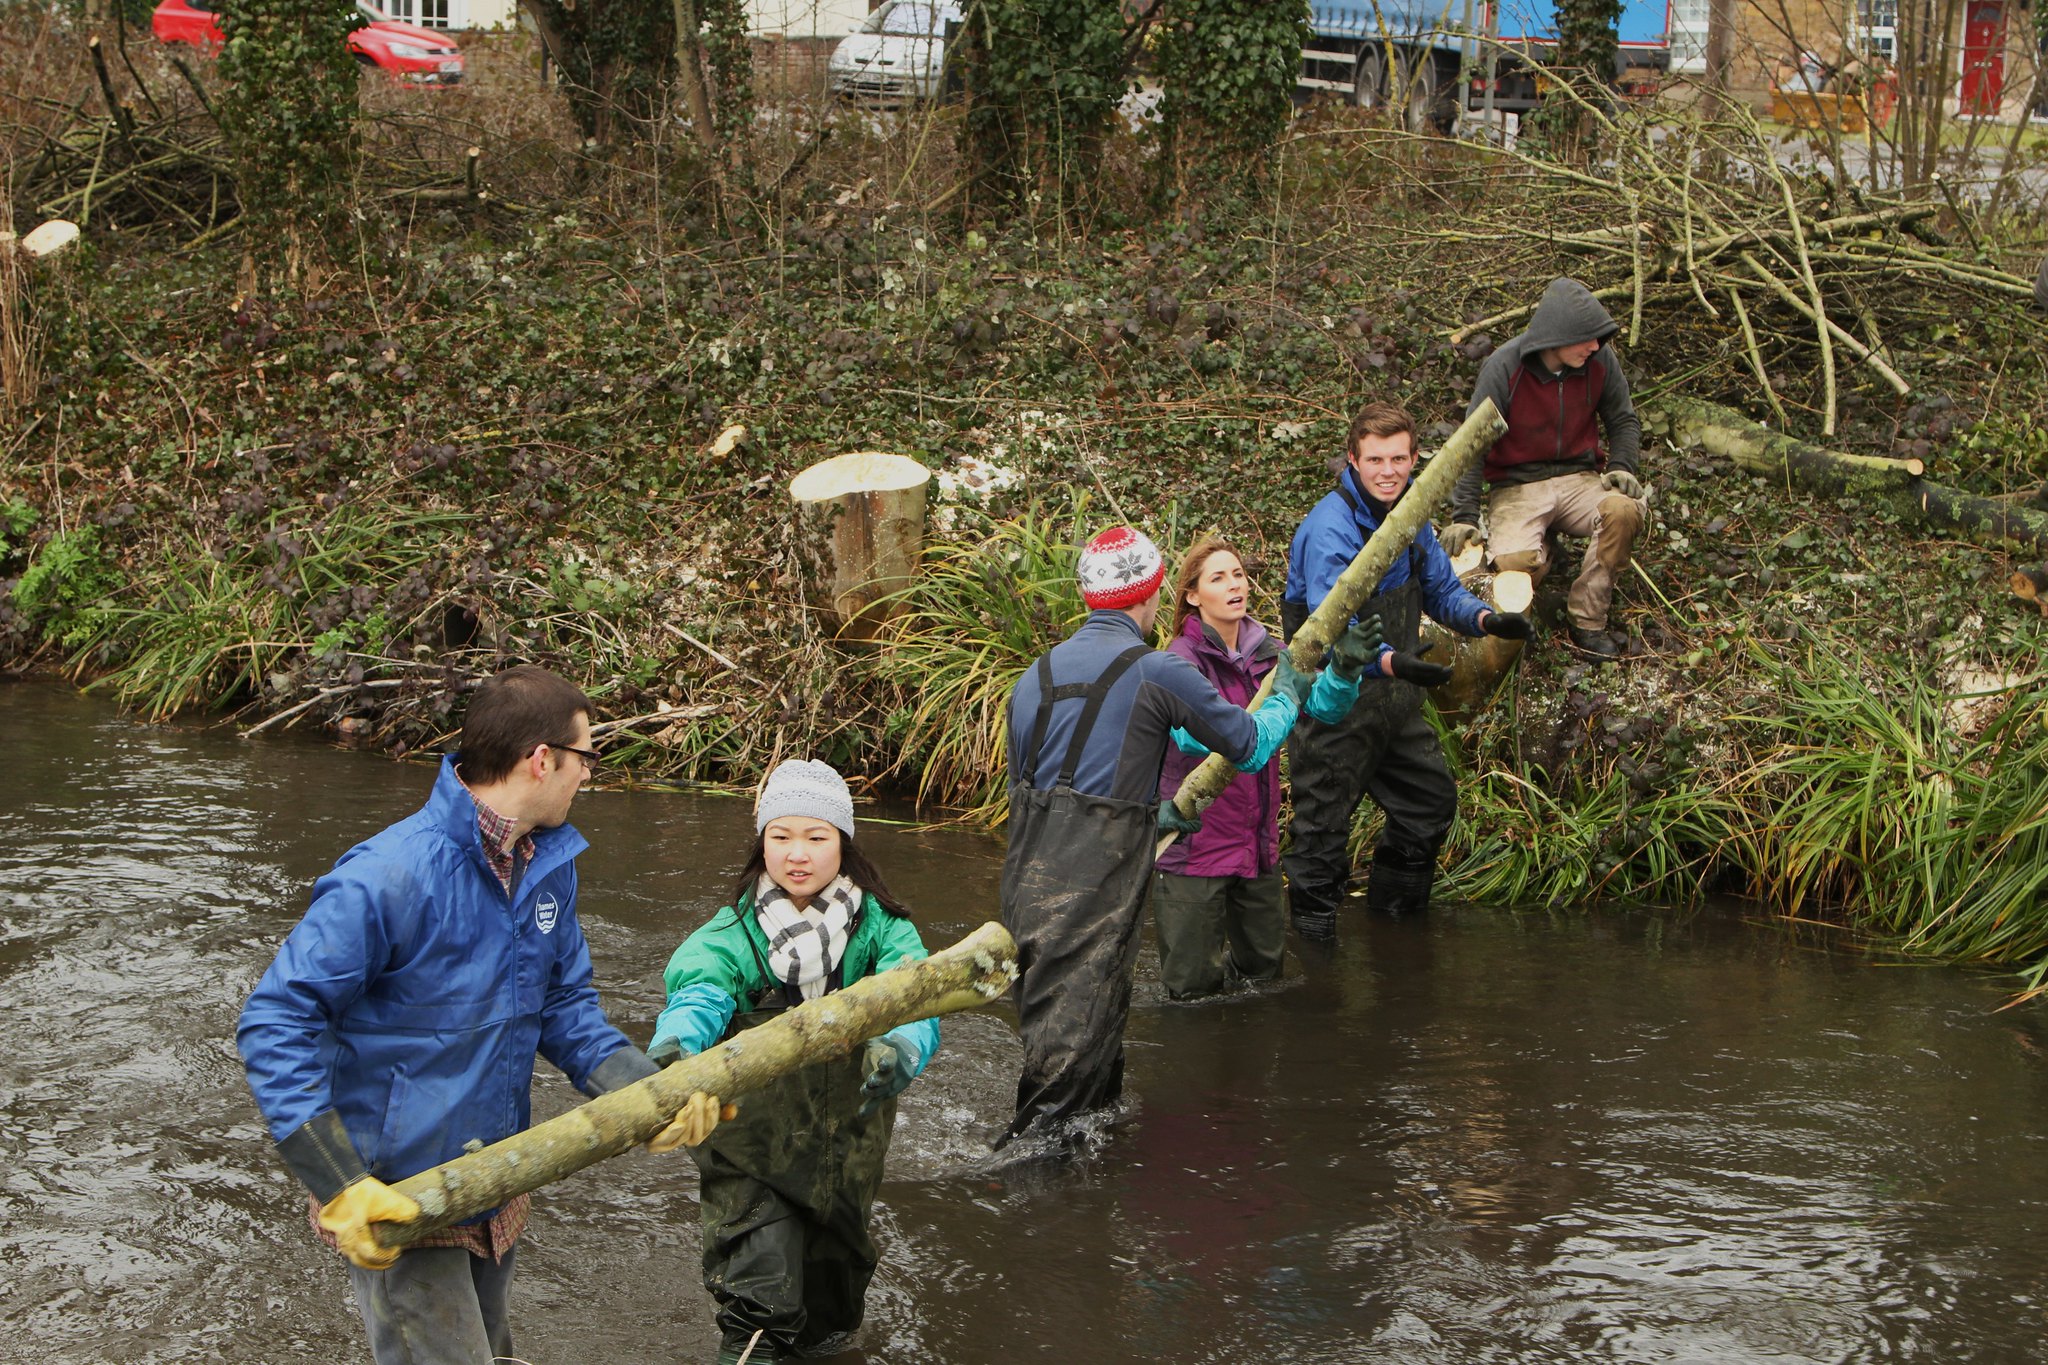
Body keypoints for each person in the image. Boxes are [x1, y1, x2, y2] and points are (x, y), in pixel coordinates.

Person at [238, 664, 722, 1365]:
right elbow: (275, 1019)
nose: (590, 774)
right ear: (542, 759)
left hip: (497, 1180)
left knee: (491, 1352)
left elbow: (563, 1006)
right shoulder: (386, 876)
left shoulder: (547, 863)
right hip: (398, 1197)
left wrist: (649, 1095)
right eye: (586, 757)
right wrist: (338, 1181)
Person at [999, 525, 1377, 1145]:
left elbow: (1047, 793)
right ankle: (1037, 1177)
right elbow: (1249, 745)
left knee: (1060, 1042)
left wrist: (1154, 816)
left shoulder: (1032, 677)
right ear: (1153, 596)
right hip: (1096, 897)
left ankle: (1071, 1172)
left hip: (1026, 888)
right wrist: (1284, 693)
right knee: (1070, 1079)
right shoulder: (1159, 669)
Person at [647, 759, 939, 1365]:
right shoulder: (731, 934)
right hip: (751, 1150)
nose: (796, 854)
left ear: (844, 843)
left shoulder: (883, 929)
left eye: (816, 837)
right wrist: (680, 1049)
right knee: (760, 1306)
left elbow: (915, 994)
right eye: (780, 836)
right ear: (762, 843)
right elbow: (698, 993)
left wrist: (902, 1046)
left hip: (850, 1150)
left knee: (832, 1318)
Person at [1282, 402, 1532, 939]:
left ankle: (1395, 934)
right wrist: (1393, 663)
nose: (1388, 471)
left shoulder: (1412, 513)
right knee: (1322, 839)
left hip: (1395, 707)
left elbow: (1441, 590)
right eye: (1375, 460)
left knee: (1429, 804)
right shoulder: (1330, 530)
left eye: (1398, 458)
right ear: (1353, 460)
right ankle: (1314, 960)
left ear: (1415, 458)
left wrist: (1487, 620)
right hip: (1332, 707)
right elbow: (1332, 633)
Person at [1150, 534, 1380, 999]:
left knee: (1264, 982)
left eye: (1238, 574)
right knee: (1192, 993)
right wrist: (1283, 701)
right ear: (1193, 596)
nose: (1235, 585)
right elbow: (1199, 736)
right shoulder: (1179, 663)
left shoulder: (1271, 653)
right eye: (1219, 578)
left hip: (1257, 849)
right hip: (1194, 851)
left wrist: (1345, 671)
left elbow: (1323, 707)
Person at [1443, 276, 1648, 661]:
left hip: (1579, 479)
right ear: (1556, 336)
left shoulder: (1600, 361)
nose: (1595, 346)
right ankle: (1545, 549)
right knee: (1516, 571)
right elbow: (1473, 444)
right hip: (1518, 485)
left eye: (1598, 339)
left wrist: (1623, 467)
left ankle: (1587, 619)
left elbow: (1623, 420)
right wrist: (1464, 516)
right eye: (1586, 339)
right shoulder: (1505, 366)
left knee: (1624, 510)